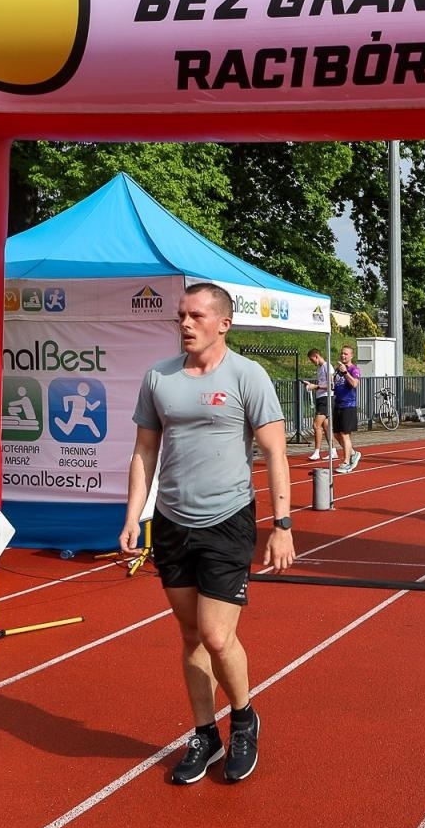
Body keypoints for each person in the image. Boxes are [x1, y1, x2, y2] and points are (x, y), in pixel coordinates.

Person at [121, 282, 293, 785]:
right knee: (191, 634)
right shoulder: (159, 378)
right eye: (180, 316)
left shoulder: (248, 375)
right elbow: (144, 452)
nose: (185, 324)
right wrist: (134, 515)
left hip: (228, 518)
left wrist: (282, 526)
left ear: (224, 322)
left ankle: (243, 718)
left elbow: (275, 453)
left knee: (218, 636)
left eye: (196, 315)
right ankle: (204, 733)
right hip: (173, 521)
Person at [303, 348, 337, 464]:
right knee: (326, 426)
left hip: (326, 399)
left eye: (313, 360)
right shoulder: (320, 369)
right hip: (321, 398)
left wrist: (315, 387)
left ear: (316, 356)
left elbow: (331, 385)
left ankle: (317, 452)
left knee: (316, 425)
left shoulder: (328, 367)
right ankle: (333, 450)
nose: (313, 363)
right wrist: (312, 386)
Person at [333, 345, 362, 474]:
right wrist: (315, 386)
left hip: (348, 405)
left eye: (346, 354)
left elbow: (355, 384)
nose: (343, 356)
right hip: (338, 404)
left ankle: (346, 462)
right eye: (342, 353)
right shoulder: (337, 370)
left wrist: (345, 372)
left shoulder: (353, 369)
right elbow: (332, 386)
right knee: (337, 434)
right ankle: (354, 453)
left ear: (351, 356)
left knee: (345, 434)